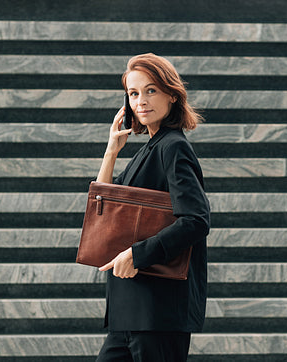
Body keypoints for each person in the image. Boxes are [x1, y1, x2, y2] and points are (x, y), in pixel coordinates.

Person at [95, 53, 210, 362]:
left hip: (157, 312)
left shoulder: (173, 147)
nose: (141, 101)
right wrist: (111, 152)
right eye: (133, 93)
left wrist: (137, 254)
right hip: (131, 312)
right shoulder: (149, 149)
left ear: (172, 94)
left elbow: (196, 220)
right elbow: (102, 209)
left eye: (151, 90)